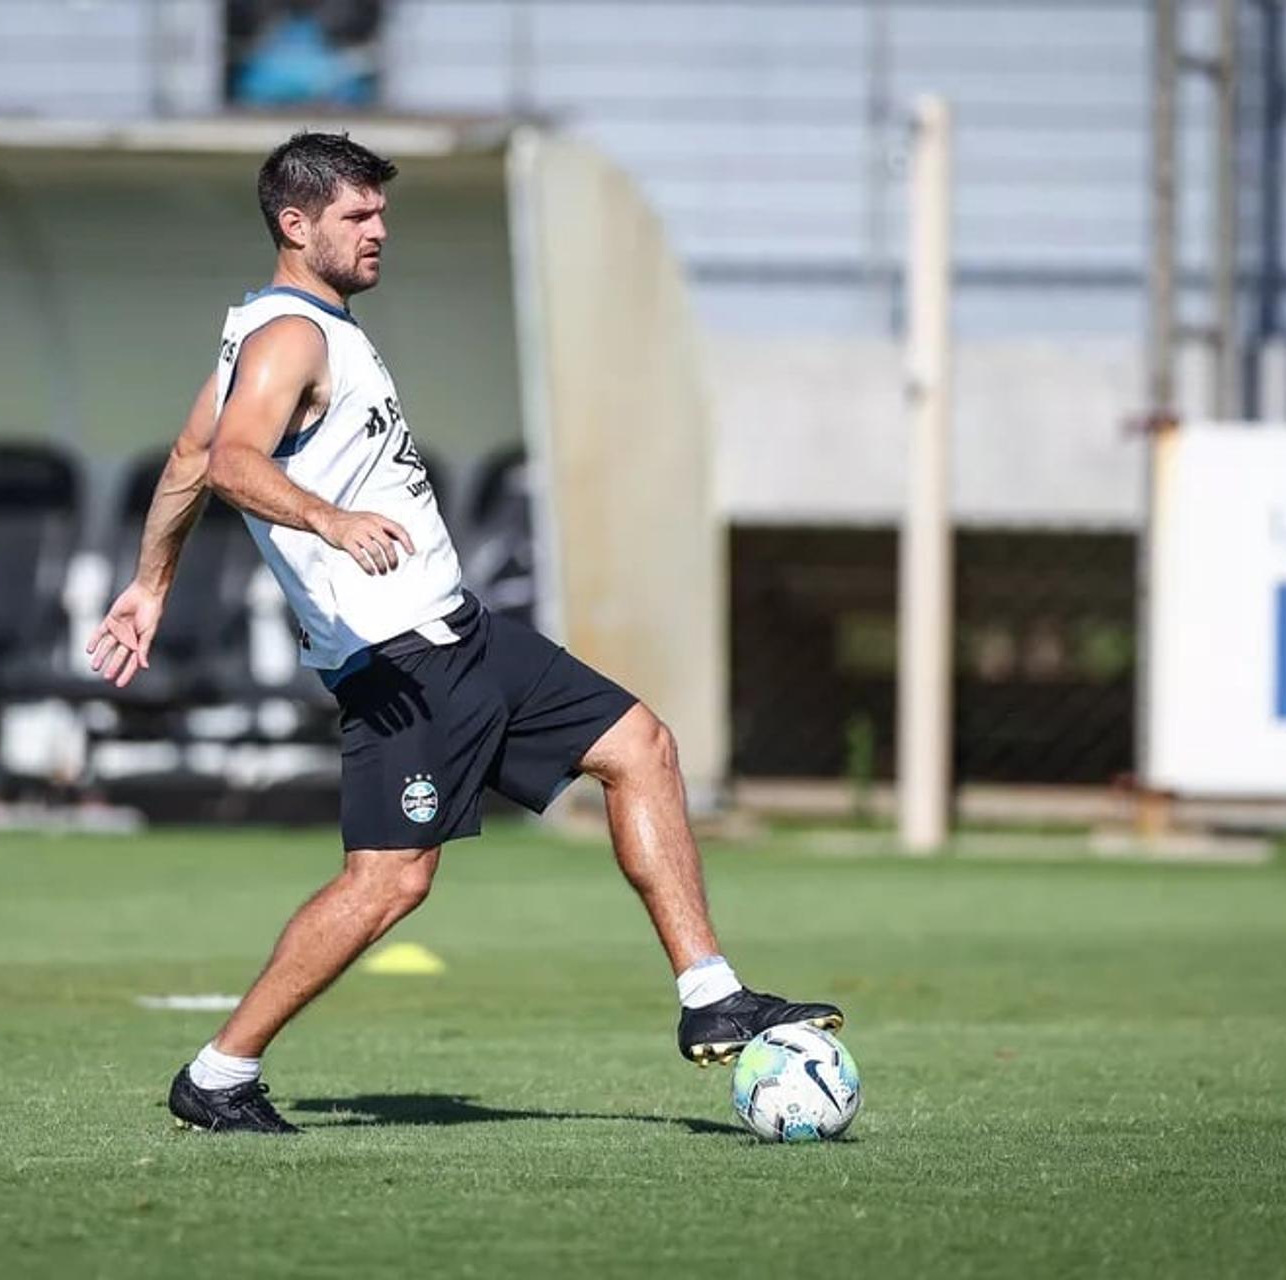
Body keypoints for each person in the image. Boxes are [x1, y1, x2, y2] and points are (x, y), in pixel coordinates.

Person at [86, 131, 843, 1135]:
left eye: (382, 212)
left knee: (640, 746)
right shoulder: (288, 339)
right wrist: (330, 518)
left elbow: (187, 452)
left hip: (465, 633)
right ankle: (220, 1073)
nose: (378, 231)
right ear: (294, 223)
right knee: (391, 880)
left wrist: (149, 583)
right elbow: (230, 461)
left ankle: (711, 992)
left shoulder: (292, 328)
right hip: (400, 661)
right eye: (357, 216)